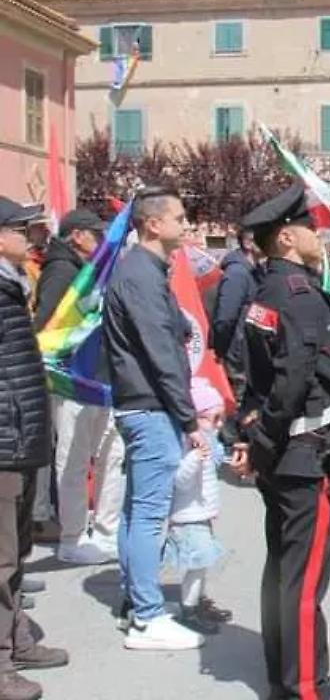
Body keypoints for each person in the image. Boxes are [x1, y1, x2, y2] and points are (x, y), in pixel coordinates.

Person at [235, 183, 330, 699]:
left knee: (281, 565)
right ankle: (303, 685)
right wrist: (264, 441)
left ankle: (285, 672)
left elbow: (256, 376)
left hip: (281, 449)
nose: (317, 233)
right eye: (309, 226)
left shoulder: (269, 288)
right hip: (302, 451)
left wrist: (256, 439)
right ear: (286, 237)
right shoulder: (297, 293)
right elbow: (291, 380)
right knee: (303, 580)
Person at [104, 188, 208, 651]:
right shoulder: (140, 276)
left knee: (136, 510)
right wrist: (188, 419)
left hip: (143, 403)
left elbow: (169, 334)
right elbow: (161, 353)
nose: (186, 227)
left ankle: (136, 600)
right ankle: (147, 615)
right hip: (150, 405)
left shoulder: (146, 273)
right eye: (179, 219)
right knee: (148, 514)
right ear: (152, 224)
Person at [0, 197, 69, 700]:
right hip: (4, 440)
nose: (32, 236)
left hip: (21, 439)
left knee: (18, 553)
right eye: (22, 228)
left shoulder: (13, 284)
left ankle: (17, 641)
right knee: (0, 560)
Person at [32, 209, 125, 566]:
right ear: (77, 237)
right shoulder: (63, 271)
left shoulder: (91, 273)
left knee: (109, 455)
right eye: (95, 234)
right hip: (73, 381)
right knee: (72, 459)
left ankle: (104, 531)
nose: (102, 242)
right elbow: (46, 326)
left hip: (100, 377)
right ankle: (72, 537)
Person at [166, 379, 232, 636]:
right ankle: (189, 608)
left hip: (201, 515)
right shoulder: (186, 447)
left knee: (201, 565)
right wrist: (194, 459)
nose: (218, 425)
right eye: (212, 419)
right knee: (197, 565)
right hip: (187, 518)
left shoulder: (207, 444)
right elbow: (179, 482)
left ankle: (198, 602)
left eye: (221, 419)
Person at [209, 228, 263, 409]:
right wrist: (223, 352)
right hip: (238, 359)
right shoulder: (237, 273)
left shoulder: (255, 271)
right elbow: (225, 318)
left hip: (249, 356)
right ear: (248, 243)